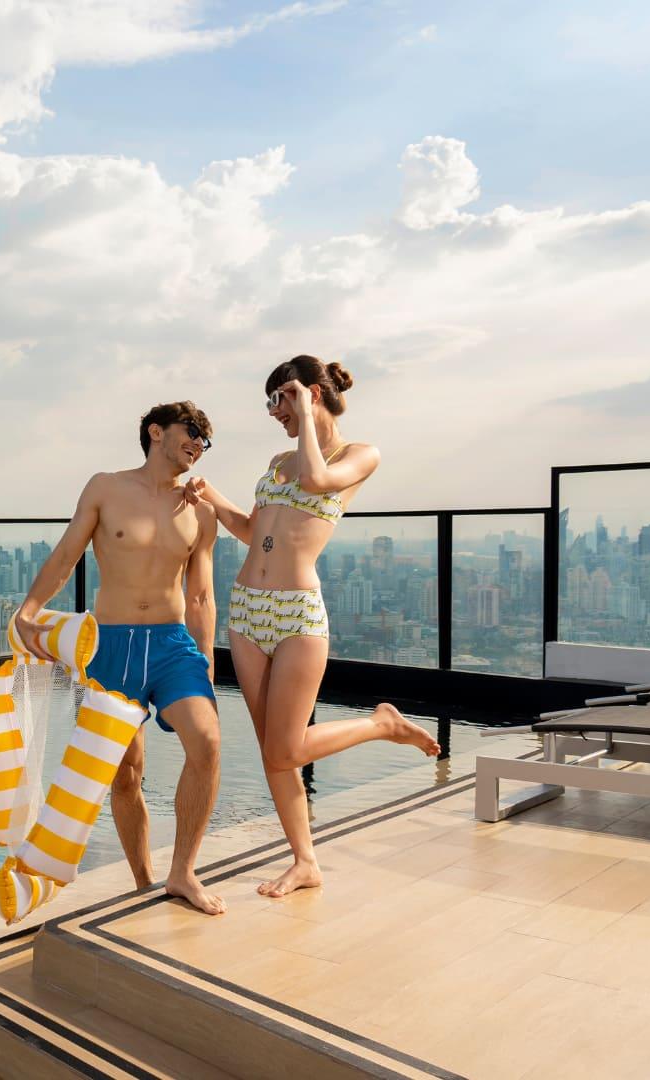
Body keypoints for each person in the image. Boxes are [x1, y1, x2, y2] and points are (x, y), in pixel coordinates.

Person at [185, 356, 439, 899]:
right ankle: (305, 861)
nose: (275, 412)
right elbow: (254, 531)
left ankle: (381, 725)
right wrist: (212, 496)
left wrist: (304, 409)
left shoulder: (358, 455)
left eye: (281, 398)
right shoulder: (279, 459)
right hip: (248, 611)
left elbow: (318, 479)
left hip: (298, 612)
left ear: (311, 394)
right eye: (273, 401)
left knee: (286, 747)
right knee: (274, 751)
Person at [13, 402, 226, 916]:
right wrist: (29, 609)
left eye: (206, 440)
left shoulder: (200, 510)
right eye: (191, 432)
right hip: (112, 644)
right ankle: (142, 880)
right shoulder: (105, 488)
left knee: (208, 741)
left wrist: (206, 658)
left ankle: (183, 873)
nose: (199, 444)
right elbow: (66, 555)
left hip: (174, 646)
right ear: (157, 432)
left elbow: (200, 594)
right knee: (127, 772)